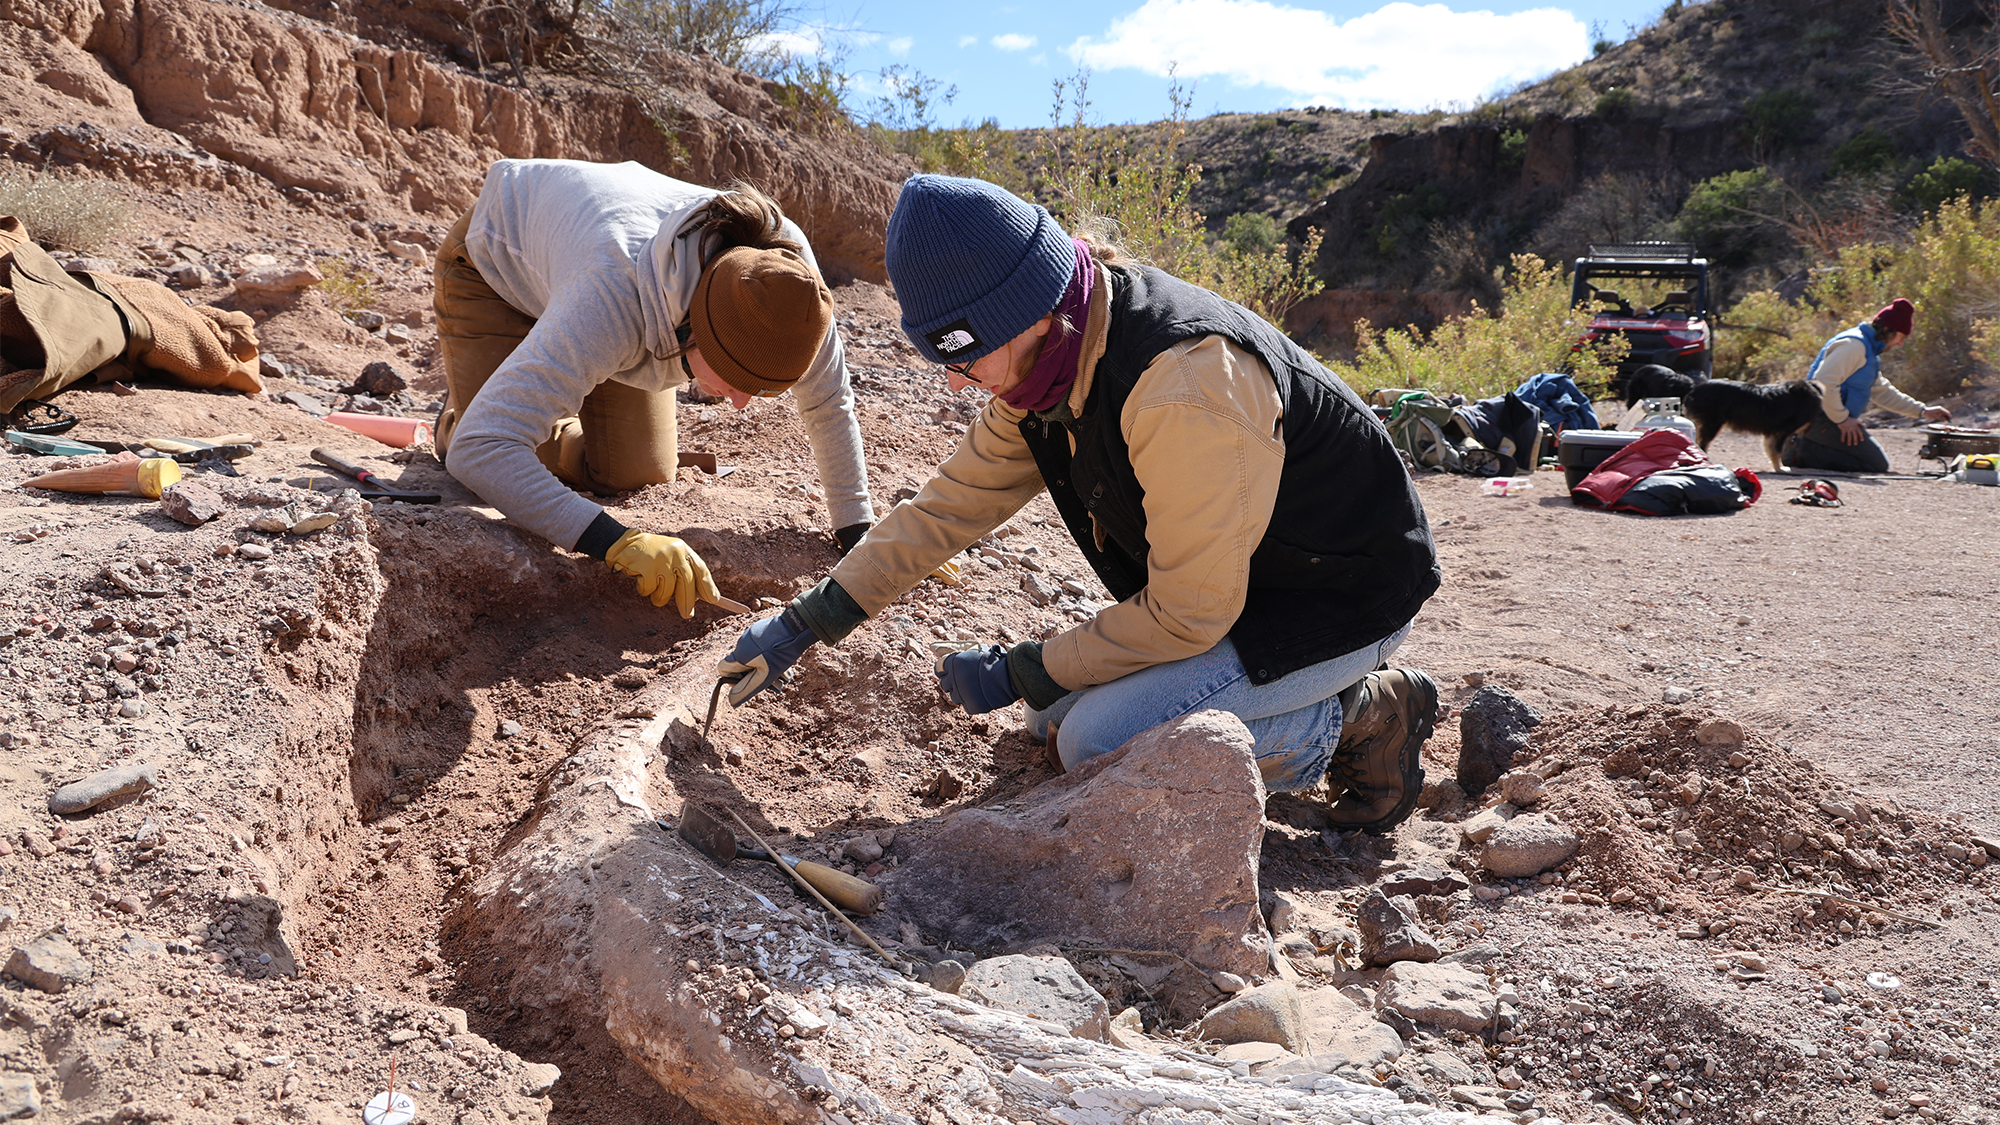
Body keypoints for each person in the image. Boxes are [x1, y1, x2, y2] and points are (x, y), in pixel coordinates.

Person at [718, 175, 1444, 835]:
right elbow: (945, 510)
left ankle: (1362, 716)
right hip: (1246, 587)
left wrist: (1022, 666)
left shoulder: (1181, 385)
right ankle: (1301, 705)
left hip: (1343, 598)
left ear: (1024, 315)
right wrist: (804, 622)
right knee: (1054, 716)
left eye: (963, 358)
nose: (956, 385)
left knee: (1097, 742)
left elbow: (1190, 612)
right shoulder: (1048, 367)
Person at [431, 159, 875, 615]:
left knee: (636, 471)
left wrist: (858, 528)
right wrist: (616, 542)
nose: (740, 405)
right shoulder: (609, 297)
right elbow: (483, 447)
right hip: (495, 269)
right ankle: (461, 415)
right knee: (490, 450)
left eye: (759, 390)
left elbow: (829, 401)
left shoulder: (789, 292)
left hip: (590, 292)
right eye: (735, 380)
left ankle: (544, 379)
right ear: (695, 329)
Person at [1784, 298, 1951, 473]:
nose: (1900, 343)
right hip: (1816, 418)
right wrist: (1842, 419)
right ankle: (1798, 450)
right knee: (1875, 465)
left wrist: (1922, 411)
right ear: (1887, 330)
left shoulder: (1867, 351)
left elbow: (1881, 391)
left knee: (1874, 463)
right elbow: (1823, 382)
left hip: (1828, 418)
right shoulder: (1853, 346)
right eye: (1901, 336)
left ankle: (1803, 443)